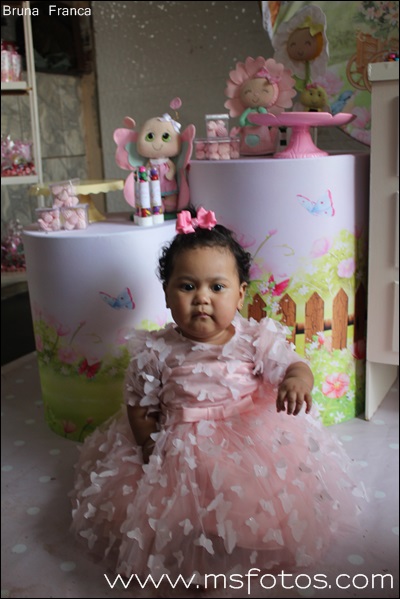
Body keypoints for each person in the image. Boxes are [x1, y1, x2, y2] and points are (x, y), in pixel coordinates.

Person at [70, 206, 364, 587]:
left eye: (217, 287)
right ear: (166, 294)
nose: (202, 299)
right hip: (177, 443)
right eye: (187, 287)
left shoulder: (254, 339)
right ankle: (191, 544)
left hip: (246, 439)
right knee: (172, 507)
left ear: (240, 295)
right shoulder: (155, 351)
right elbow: (140, 403)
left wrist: (296, 380)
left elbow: (293, 364)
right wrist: (147, 443)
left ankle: (245, 541)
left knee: (255, 498)